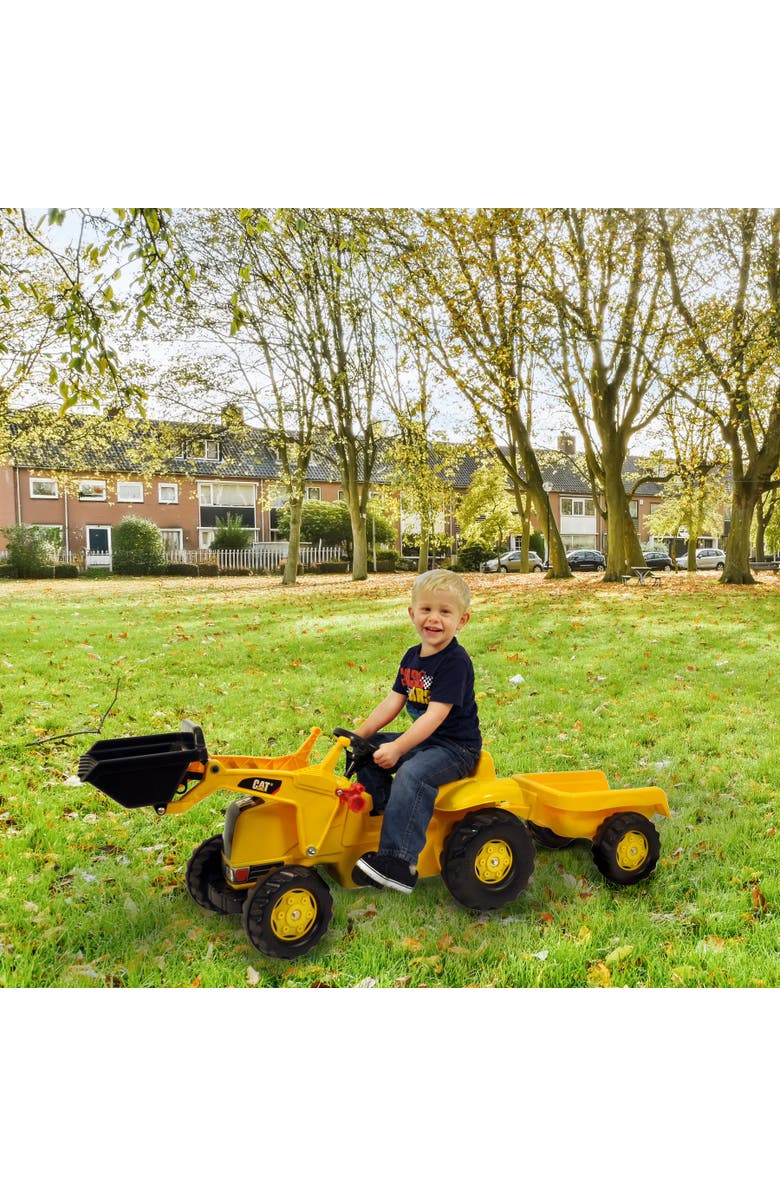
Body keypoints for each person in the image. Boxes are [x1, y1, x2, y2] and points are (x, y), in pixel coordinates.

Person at [354, 569, 482, 893]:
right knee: (364, 751)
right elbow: (393, 701)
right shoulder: (412, 657)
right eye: (426, 610)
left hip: (455, 748)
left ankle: (398, 863)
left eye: (444, 612)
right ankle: (382, 814)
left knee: (413, 774)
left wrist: (397, 748)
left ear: (462, 620)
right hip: (427, 741)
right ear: (413, 613)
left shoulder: (455, 662)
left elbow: (434, 717)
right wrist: (361, 734)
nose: (434, 619)